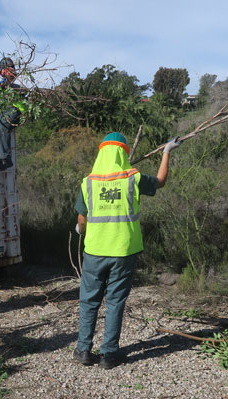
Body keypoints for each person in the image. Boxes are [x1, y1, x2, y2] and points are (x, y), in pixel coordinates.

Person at [73, 132, 181, 369]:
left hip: (94, 252)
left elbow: (82, 220)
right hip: (123, 252)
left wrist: (82, 230)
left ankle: (83, 350)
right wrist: (166, 152)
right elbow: (161, 181)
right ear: (123, 153)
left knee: (89, 301)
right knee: (115, 302)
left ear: (101, 152)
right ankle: (109, 355)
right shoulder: (133, 178)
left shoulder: (88, 182)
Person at [0, 57, 25, 171]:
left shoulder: (17, 88)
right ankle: (1, 158)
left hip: (16, 111)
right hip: (5, 111)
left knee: (2, 124)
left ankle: (5, 158)